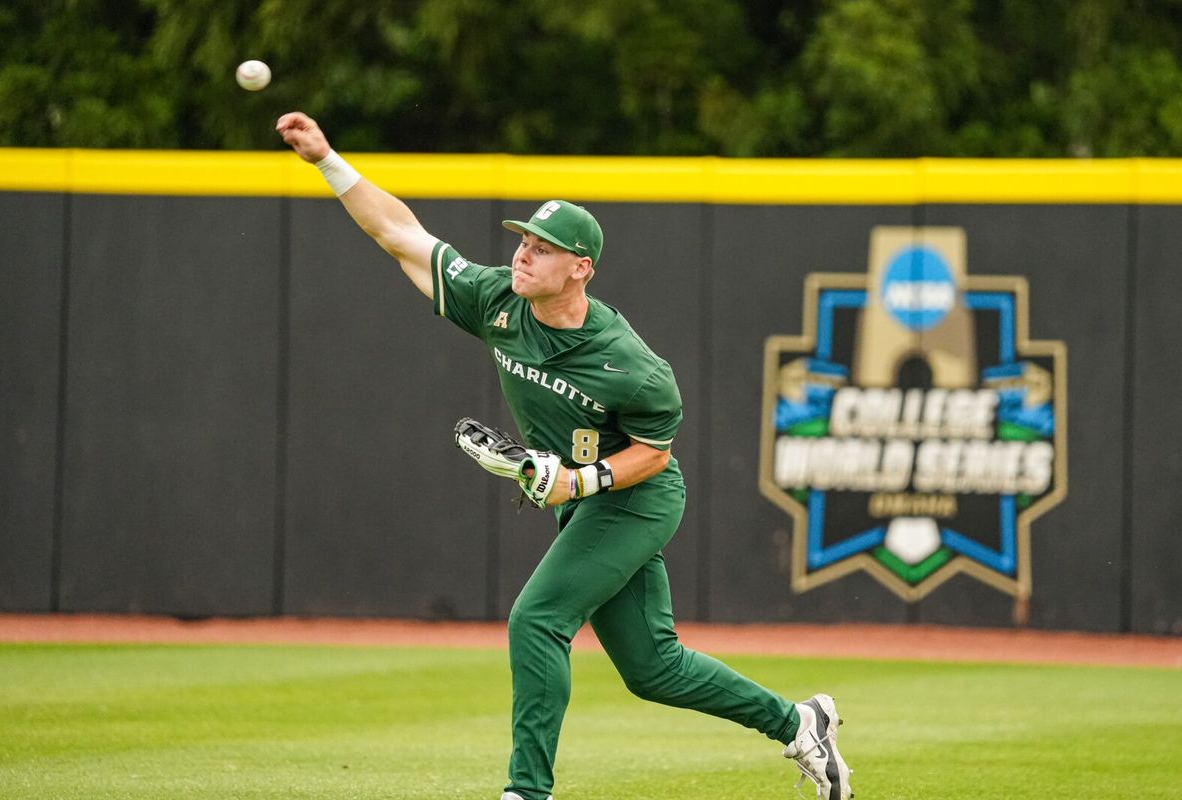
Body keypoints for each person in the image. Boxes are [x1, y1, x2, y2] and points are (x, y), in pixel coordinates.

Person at [275, 111, 854, 800]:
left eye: (542, 249)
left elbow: (654, 455)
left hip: (636, 500)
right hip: (583, 501)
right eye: (523, 240)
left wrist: (578, 481)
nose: (522, 255)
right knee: (654, 668)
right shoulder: (497, 299)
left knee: (537, 620)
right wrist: (327, 159)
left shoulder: (632, 365)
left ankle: (527, 791)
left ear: (580, 269)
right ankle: (799, 723)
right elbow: (399, 234)